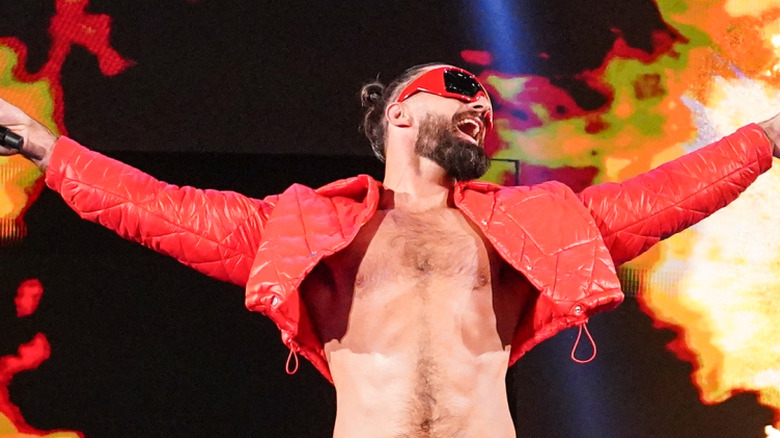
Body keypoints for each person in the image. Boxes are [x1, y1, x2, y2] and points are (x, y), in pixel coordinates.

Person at [1, 63, 779, 438]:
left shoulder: (536, 224)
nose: (481, 105)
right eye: (461, 88)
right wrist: (44, 146)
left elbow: (664, 198)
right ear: (402, 113)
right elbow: (158, 210)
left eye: (485, 103)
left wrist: (768, 138)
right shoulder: (305, 228)